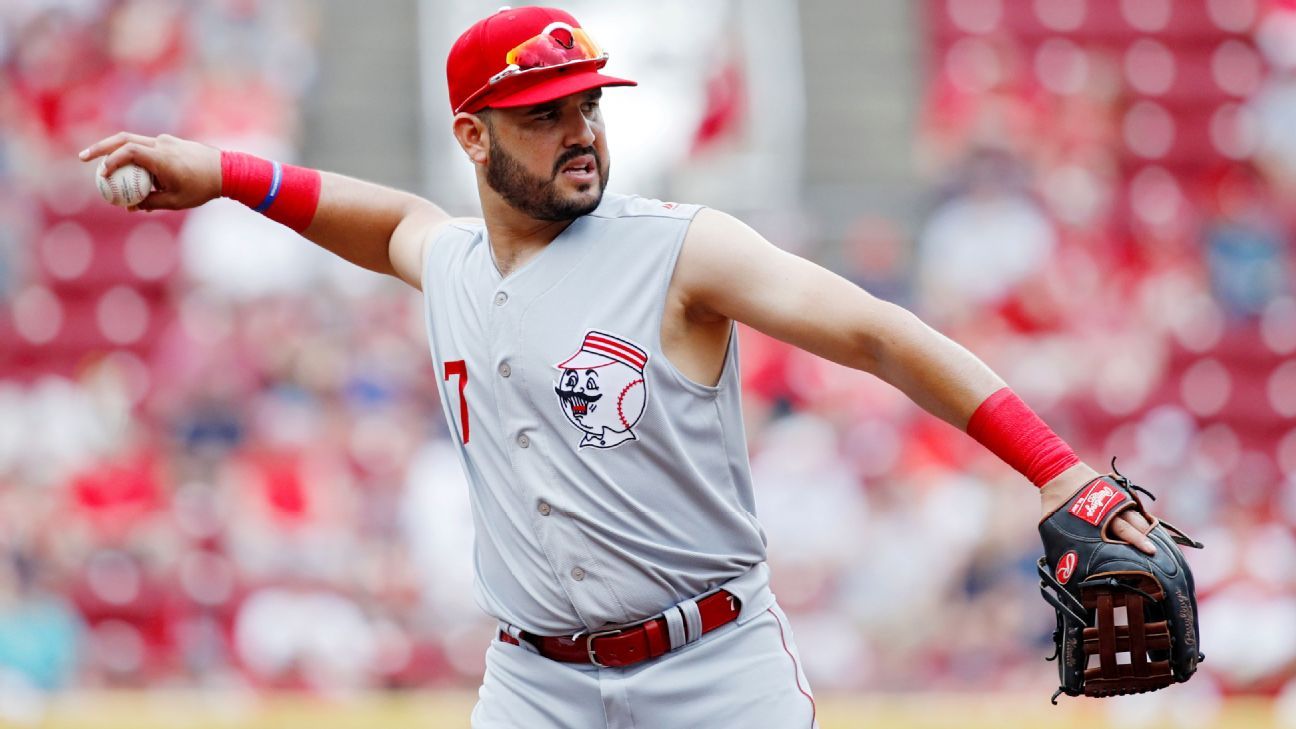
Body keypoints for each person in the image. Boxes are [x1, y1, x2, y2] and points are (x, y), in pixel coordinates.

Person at [78, 6, 1160, 727]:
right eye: (542, 116)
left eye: (588, 104)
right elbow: (384, 221)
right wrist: (221, 172)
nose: (580, 130)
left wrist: (1058, 470)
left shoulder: (681, 247)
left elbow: (878, 332)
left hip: (713, 668)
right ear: (472, 138)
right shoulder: (452, 259)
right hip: (533, 680)